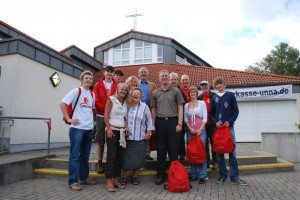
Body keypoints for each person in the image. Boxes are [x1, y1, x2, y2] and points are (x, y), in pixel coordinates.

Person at [60, 70, 97, 191]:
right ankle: (73, 182)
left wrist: (92, 126)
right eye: (86, 78)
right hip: (77, 129)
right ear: (82, 80)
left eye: (90, 79)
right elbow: (62, 103)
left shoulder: (92, 94)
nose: (88, 80)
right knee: (75, 156)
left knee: (85, 156)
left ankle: (84, 178)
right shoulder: (77, 91)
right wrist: (68, 118)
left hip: (88, 129)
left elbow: (91, 110)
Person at [210, 77, 248, 186]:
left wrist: (230, 121)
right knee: (219, 152)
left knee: (232, 152)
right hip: (218, 129)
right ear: (215, 86)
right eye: (217, 84)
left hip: (229, 128)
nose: (219, 86)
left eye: (220, 84)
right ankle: (223, 176)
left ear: (224, 84)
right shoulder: (214, 98)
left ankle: (235, 177)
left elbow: (236, 110)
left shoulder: (230, 95)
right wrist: (215, 122)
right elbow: (211, 113)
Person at [151, 69, 185, 185]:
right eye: (162, 76)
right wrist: (153, 125)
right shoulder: (155, 93)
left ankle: (174, 174)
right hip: (160, 123)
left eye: (166, 76)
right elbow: (154, 109)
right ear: (159, 79)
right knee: (161, 150)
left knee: (173, 150)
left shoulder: (176, 91)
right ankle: (160, 175)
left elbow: (180, 107)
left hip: (173, 122)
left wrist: (179, 123)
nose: (164, 77)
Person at [121, 87, 155, 186]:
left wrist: (149, 133)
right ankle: (123, 176)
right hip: (126, 138)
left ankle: (135, 176)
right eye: (133, 93)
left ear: (141, 97)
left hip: (140, 137)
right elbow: (120, 117)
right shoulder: (125, 105)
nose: (135, 95)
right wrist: (125, 125)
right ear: (130, 95)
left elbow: (149, 121)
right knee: (124, 158)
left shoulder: (145, 107)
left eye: (138, 94)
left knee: (139, 158)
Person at [104, 83, 129, 192]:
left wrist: (126, 126)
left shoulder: (126, 102)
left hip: (122, 132)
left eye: (125, 90)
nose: (123, 91)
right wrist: (108, 128)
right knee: (111, 156)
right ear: (117, 90)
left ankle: (116, 180)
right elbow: (106, 114)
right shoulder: (111, 100)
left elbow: (124, 117)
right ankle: (109, 182)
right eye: (122, 89)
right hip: (112, 130)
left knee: (119, 157)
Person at [93, 65, 118, 174]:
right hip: (101, 115)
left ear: (113, 74)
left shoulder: (117, 85)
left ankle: (111, 162)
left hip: (113, 116)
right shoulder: (98, 85)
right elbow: (96, 100)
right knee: (101, 140)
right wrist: (106, 110)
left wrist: (111, 111)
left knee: (112, 140)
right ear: (104, 73)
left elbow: (119, 99)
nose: (109, 73)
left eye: (111, 72)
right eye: (107, 71)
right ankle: (99, 162)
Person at [184, 86, 208, 184]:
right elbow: (185, 119)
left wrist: (200, 129)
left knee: (201, 152)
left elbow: (205, 118)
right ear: (189, 94)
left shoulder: (202, 103)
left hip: (201, 131)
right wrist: (190, 129)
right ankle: (193, 174)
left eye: (194, 92)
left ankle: (202, 175)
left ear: (196, 93)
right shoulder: (186, 105)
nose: (193, 93)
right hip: (190, 131)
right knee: (192, 152)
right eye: (191, 92)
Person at [198, 80, 218, 170]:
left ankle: (215, 162)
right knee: (204, 144)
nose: (204, 87)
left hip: (212, 124)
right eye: (202, 86)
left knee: (214, 143)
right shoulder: (199, 97)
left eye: (205, 85)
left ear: (209, 86)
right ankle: (206, 162)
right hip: (203, 125)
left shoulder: (214, 96)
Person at [138, 67, 156, 160]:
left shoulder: (152, 85)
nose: (143, 74)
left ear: (148, 74)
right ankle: (139, 152)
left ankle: (147, 153)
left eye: (145, 72)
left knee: (148, 130)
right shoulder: (135, 83)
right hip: (137, 109)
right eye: (142, 72)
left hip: (148, 109)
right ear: (139, 74)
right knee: (138, 130)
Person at [169, 72, 188, 161]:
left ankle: (182, 154)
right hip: (169, 119)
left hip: (179, 119)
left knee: (180, 138)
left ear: (177, 81)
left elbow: (184, 107)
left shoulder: (181, 92)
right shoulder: (166, 90)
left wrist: (182, 121)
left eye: (175, 79)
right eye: (171, 79)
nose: (173, 81)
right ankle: (172, 154)